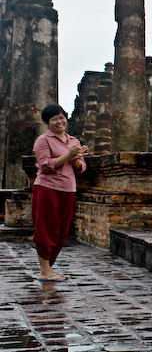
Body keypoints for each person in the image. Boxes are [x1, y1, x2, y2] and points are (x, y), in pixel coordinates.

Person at [31, 104, 87, 282]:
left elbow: (80, 167)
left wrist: (77, 159)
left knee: (62, 231)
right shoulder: (43, 140)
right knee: (46, 228)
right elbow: (45, 166)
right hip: (47, 188)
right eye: (54, 119)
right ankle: (44, 270)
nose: (59, 121)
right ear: (47, 122)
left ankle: (49, 268)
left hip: (68, 189)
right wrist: (67, 156)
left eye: (61, 117)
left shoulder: (73, 141)